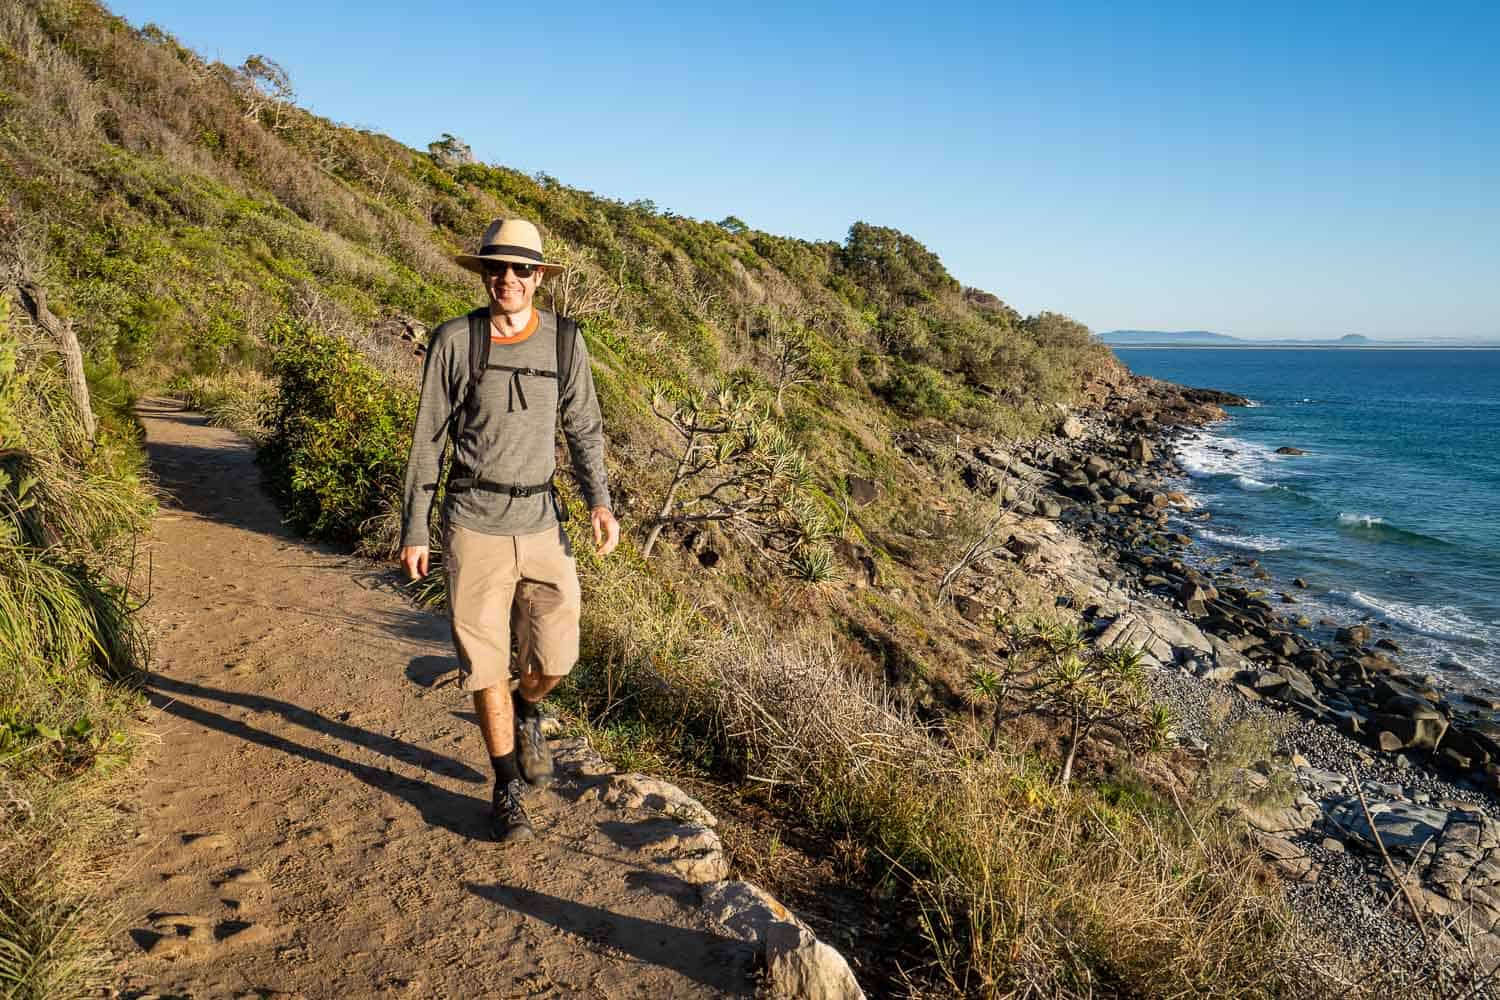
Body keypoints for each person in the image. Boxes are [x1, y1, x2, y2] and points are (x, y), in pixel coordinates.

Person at [399, 218, 619, 844]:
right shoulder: (455, 341)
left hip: (544, 523)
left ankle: (530, 707)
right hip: (474, 523)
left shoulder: (565, 342)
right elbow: (427, 442)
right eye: (497, 268)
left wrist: (600, 503)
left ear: (538, 277)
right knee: (484, 662)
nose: (508, 278)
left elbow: (585, 430)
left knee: (555, 656)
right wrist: (415, 528)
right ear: (485, 274)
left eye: (521, 268)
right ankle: (506, 787)